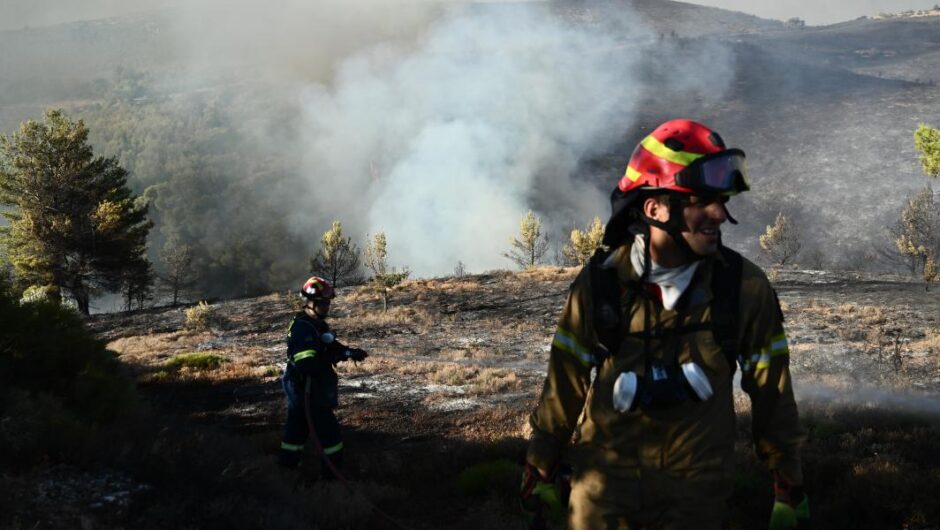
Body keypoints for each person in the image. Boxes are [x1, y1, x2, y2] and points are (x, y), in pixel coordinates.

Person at [521, 119, 809, 529]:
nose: (719, 214)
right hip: (603, 497)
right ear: (654, 208)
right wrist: (540, 464)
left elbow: (773, 393)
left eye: (720, 200)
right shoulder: (602, 284)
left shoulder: (742, 288)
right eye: (700, 201)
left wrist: (788, 485)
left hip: (696, 501)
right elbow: (564, 381)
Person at [278, 276, 368, 479]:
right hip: (305, 388)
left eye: (327, 302)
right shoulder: (303, 328)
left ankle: (287, 470)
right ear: (310, 302)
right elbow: (306, 364)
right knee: (328, 433)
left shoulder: (316, 324)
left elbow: (330, 345)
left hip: (311, 387)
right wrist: (333, 357)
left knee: (297, 429)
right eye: (322, 303)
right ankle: (331, 478)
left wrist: (348, 352)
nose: (327, 306)